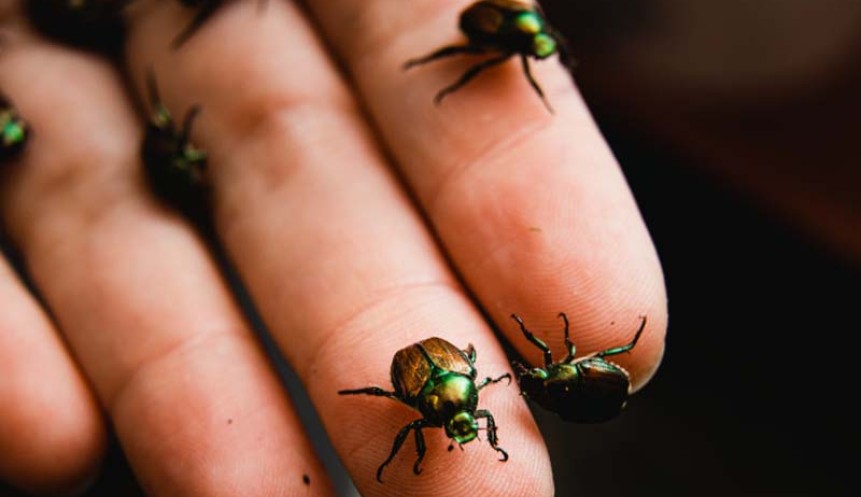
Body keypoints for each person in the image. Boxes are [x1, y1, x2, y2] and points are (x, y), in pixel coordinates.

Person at [0, 1, 667, 495]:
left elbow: (456, 384)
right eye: (468, 420)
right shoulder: (460, 391)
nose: (465, 427)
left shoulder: (460, 389)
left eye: (458, 422)